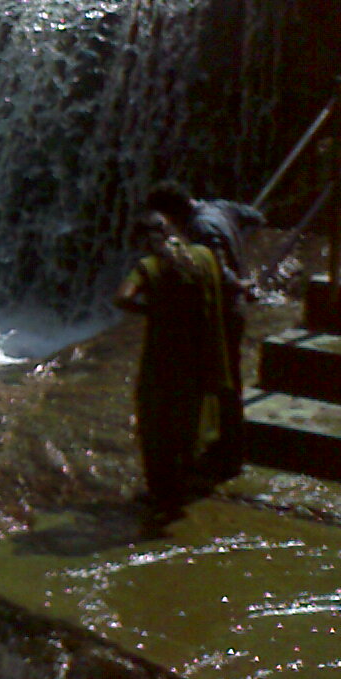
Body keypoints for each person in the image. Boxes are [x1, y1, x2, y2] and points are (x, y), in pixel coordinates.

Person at [115, 210, 234, 515]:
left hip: (164, 359)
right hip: (203, 353)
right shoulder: (205, 256)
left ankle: (163, 492)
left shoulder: (149, 267)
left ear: (145, 241)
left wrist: (153, 310)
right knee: (191, 419)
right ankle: (187, 481)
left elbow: (123, 298)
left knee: (157, 422)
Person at [144, 180, 264, 478]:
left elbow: (218, 269)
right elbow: (255, 217)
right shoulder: (219, 207)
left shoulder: (200, 229)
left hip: (222, 310)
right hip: (233, 307)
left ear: (171, 212)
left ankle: (230, 449)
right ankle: (226, 443)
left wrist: (239, 283)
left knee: (221, 379)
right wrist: (240, 247)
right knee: (227, 376)